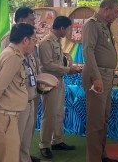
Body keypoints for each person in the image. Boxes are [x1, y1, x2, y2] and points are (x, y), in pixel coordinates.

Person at [0, 23, 37, 162]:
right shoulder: (13, 57)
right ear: (25, 40)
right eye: (34, 39)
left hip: (7, 117)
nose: (35, 43)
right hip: (4, 118)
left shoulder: (11, 53)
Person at [0, 7, 41, 162]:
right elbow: (8, 68)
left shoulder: (29, 37)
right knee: (15, 138)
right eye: (32, 19)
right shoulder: (10, 38)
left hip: (30, 92)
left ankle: (24, 157)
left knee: (26, 135)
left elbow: (32, 63)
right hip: (17, 96)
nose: (34, 22)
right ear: (22, 19)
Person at [82, 0, 118, 162]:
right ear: (106, 9)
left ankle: (101, 155)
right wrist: (97, 78)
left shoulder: (105, 25)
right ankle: (94, 159)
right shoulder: (92, 24)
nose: (117, 15)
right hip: (97, 75)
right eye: (116, 11)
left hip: (107, 75)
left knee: (103, 119)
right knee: (96, 121)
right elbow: (88, 51)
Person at [38, 16, 80, 159]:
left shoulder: (56, 41)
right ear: (62, 28)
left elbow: (58, 62)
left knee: (59, 113)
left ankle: (56, 140)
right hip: (49, 83)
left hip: (59, 80)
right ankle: (44, 145)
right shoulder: (46, 42)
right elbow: (48, 65)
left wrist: (68, 67)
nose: (69, 32)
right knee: (49, 114)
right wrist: (68, 70)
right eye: (68, 29)